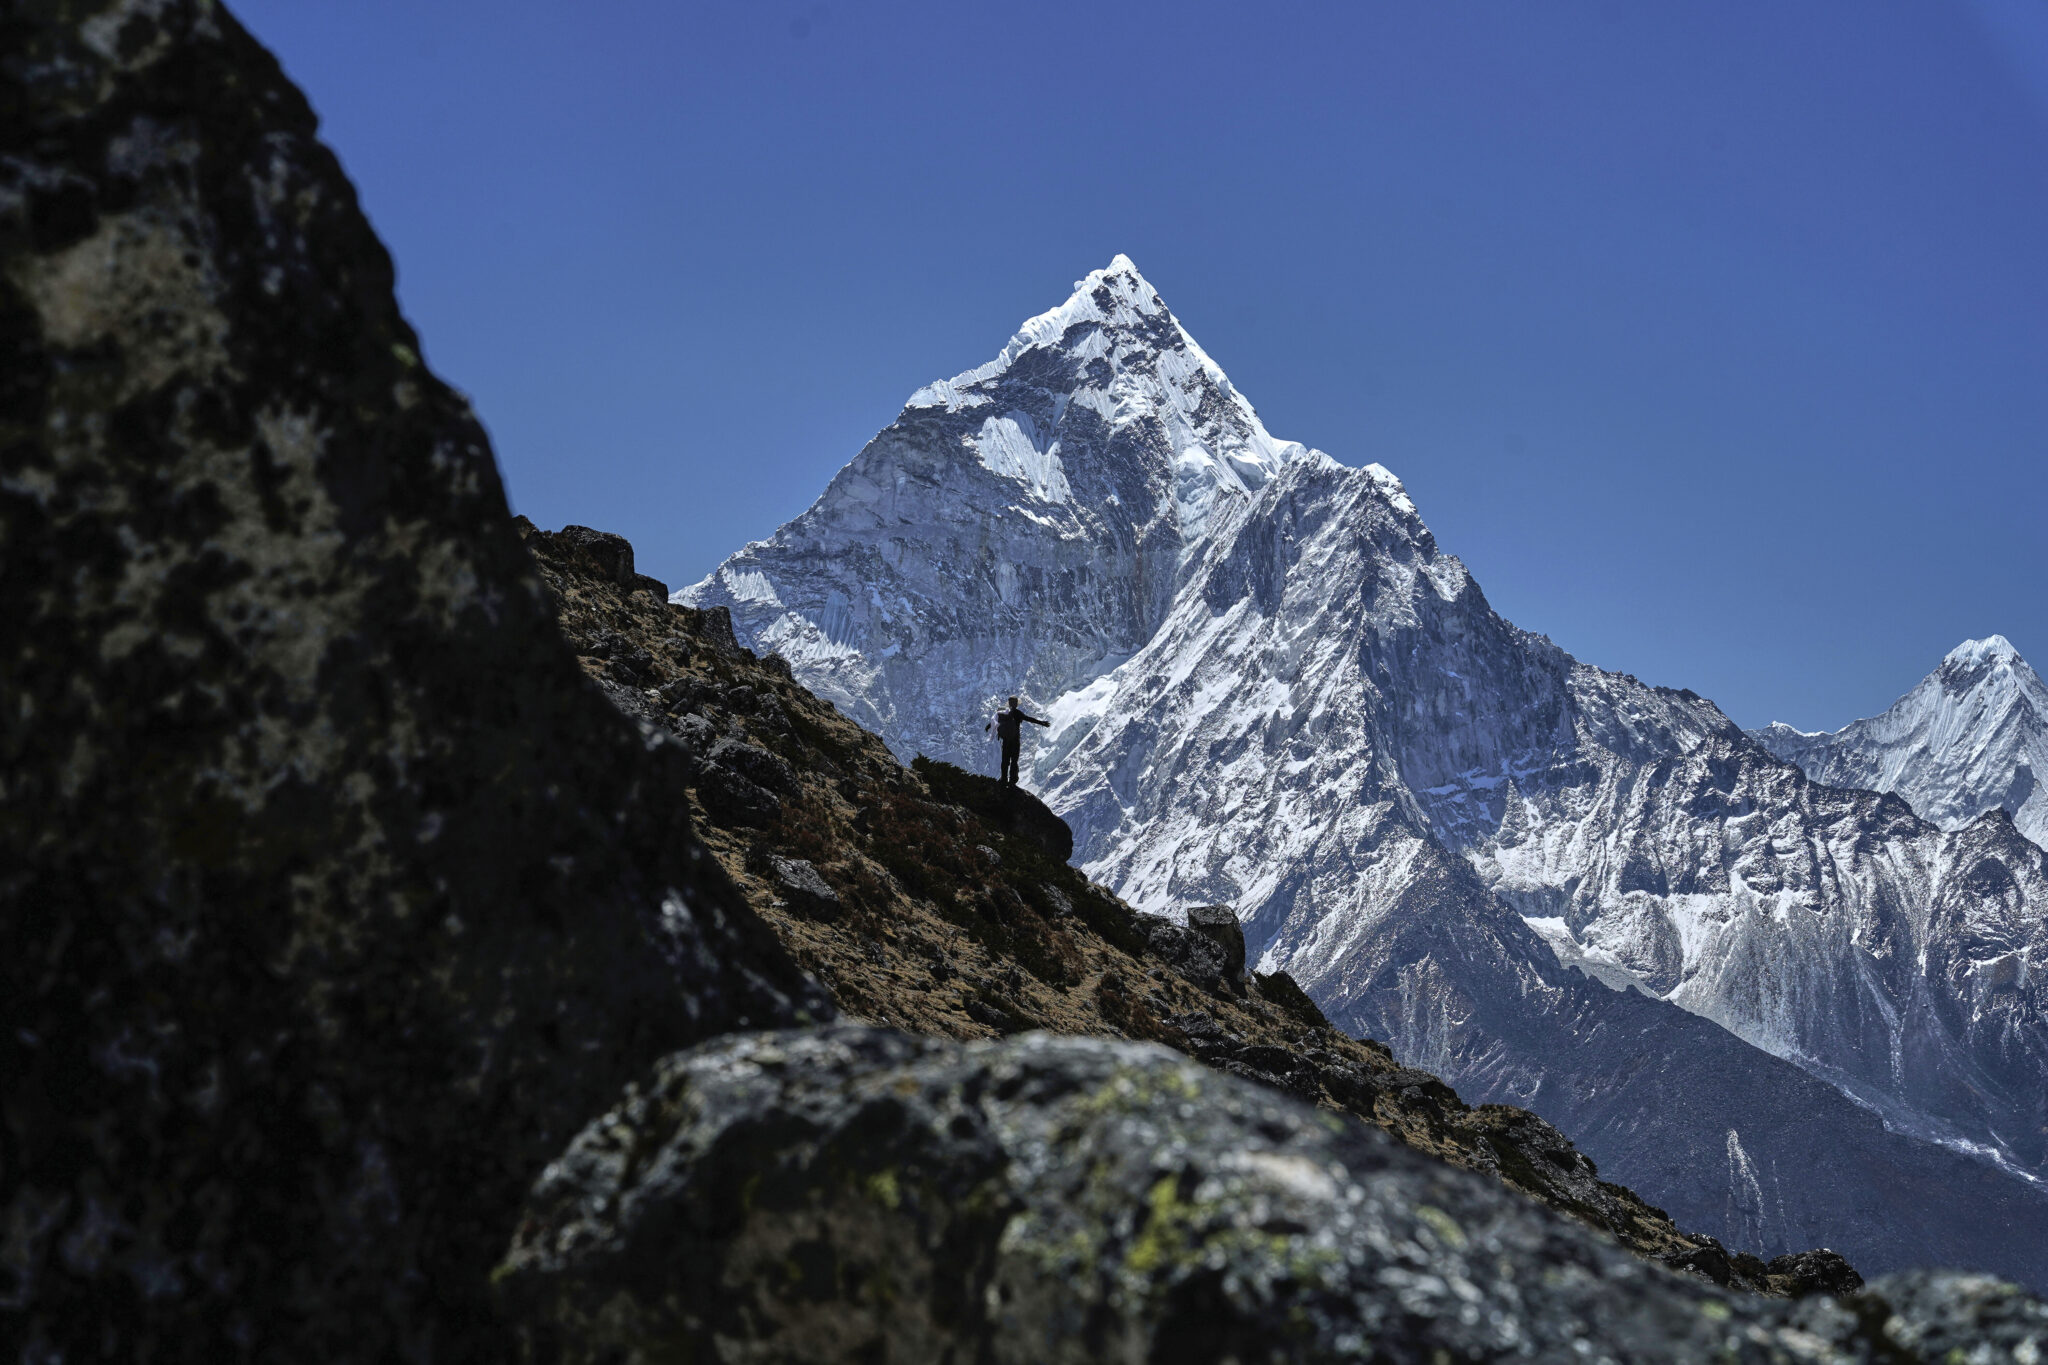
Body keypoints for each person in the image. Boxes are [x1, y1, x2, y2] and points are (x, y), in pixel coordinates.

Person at [985, 695, 1049, 787]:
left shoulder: (1004, 712)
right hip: (1015, 741)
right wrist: (1041, 722)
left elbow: (995, 720)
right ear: (1016, 704)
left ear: (1009, 703)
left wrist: (988, 726)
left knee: (1005, 760)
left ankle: (1003, 779)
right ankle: (1012, 780)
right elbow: (1029, 719)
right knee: (1014, 760)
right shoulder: (1017, 713)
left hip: (1006, 741)